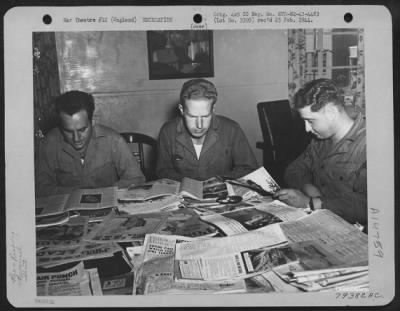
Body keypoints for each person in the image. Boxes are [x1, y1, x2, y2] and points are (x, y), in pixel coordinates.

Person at [274, 79, 367, 228]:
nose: (307, 129)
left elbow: (370, 207)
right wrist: (307, 186)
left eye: (310, 121)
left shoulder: (368, 145)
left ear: (331, 113)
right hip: (322, 221)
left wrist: (311, 203)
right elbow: (293, 170)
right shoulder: (320, 140)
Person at [35, 90, 145, 197]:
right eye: (68, 131)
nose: (76, 138)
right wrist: (77, 193)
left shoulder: (113, 140)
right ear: (60, 126)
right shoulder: (49, 144)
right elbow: (40, 189)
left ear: (92, 122)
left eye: (82, 130)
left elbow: (137, 179)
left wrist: (105, 193)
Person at [156, 78, 258, 181]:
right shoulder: (168, 131)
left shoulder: (232, 129)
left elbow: (249, 169)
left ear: (213, 109)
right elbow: (162, 171)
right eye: (192, 117)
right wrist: (187, 183)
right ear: (182, 110)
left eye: (205, 116)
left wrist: (219, 180)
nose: (199, 125)